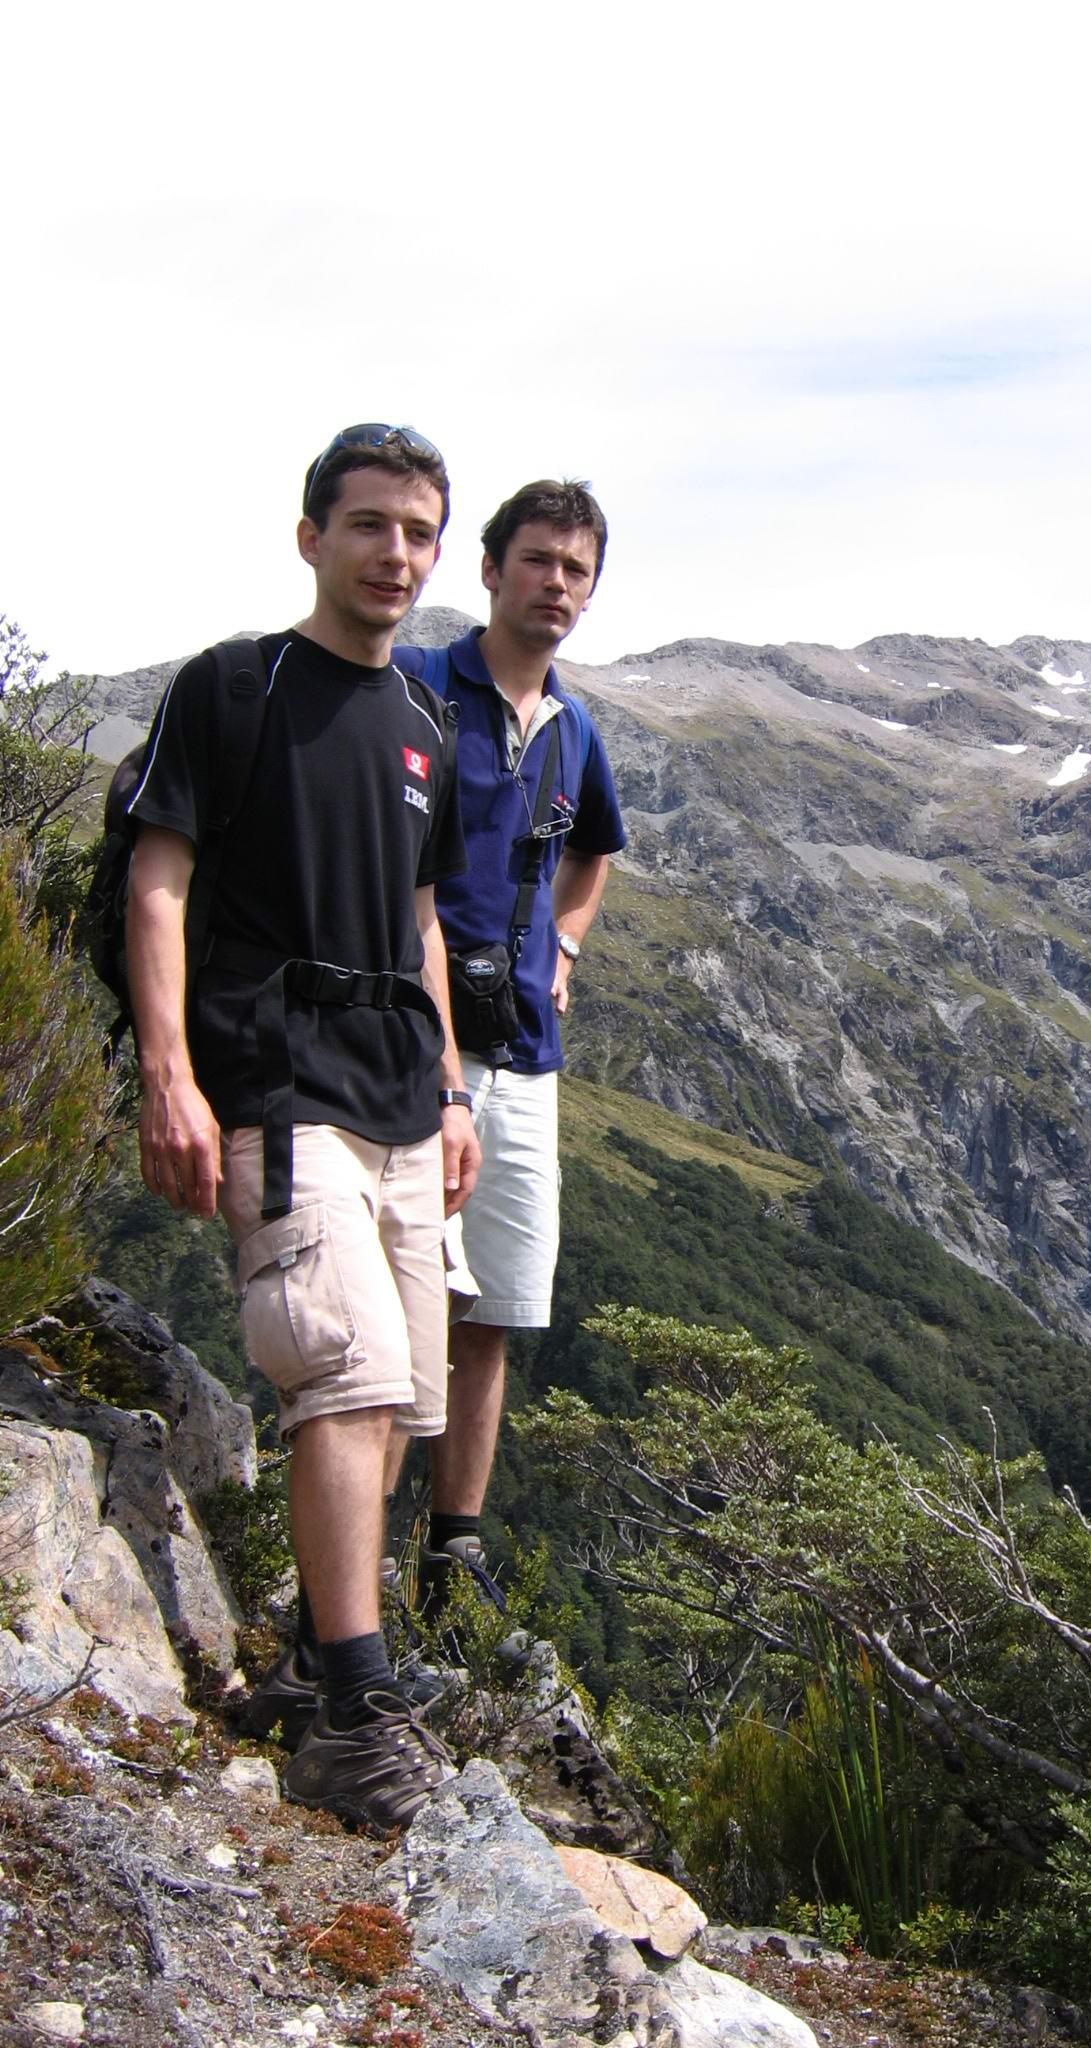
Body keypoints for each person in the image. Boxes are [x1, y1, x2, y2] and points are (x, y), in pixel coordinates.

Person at [125, 424, 480, 1831]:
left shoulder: (426, 724)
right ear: (311, 536)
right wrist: (169, 1074)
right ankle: (353, 1720)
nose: (397, 553)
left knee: (402, 1402)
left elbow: (423, 916)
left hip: (400, 1092)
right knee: (343, 1368)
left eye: (419, 531)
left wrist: (450, 1087)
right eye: (370, 524)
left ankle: (320, 1661)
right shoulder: (235, 686)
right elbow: (158, 878)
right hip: (275, 1074)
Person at [394, 480, 625, 1631]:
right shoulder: (419, 686)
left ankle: (454, 1549)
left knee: (492, 1311)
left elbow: (595, 850)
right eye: (538, 559)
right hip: (410, 1048)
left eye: (577, 569)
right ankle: (350, 1569)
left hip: (527, 1056)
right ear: (489, 569)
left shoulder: (575, 730)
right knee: (402, 1302)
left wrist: (566, 947)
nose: (557, 584)